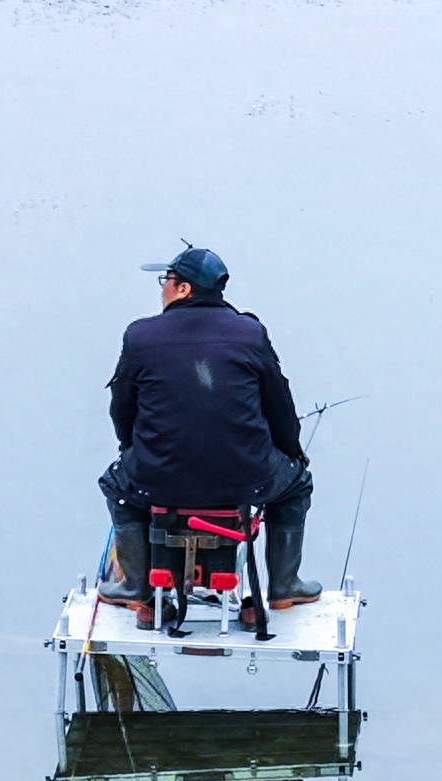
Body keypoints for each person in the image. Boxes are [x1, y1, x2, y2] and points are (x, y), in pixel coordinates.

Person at [97, 246, 320, 627]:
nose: (162, 289)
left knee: (117, 484)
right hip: (247, 480)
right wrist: (293, 456)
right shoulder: (250, 333)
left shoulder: (140, 336)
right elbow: (280, 406)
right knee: (296, 485)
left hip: (156, 480)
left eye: (165, 281)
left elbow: (122, 410)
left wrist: (133, 451)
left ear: (183, 289)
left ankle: (134, 586)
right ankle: (284, 587)